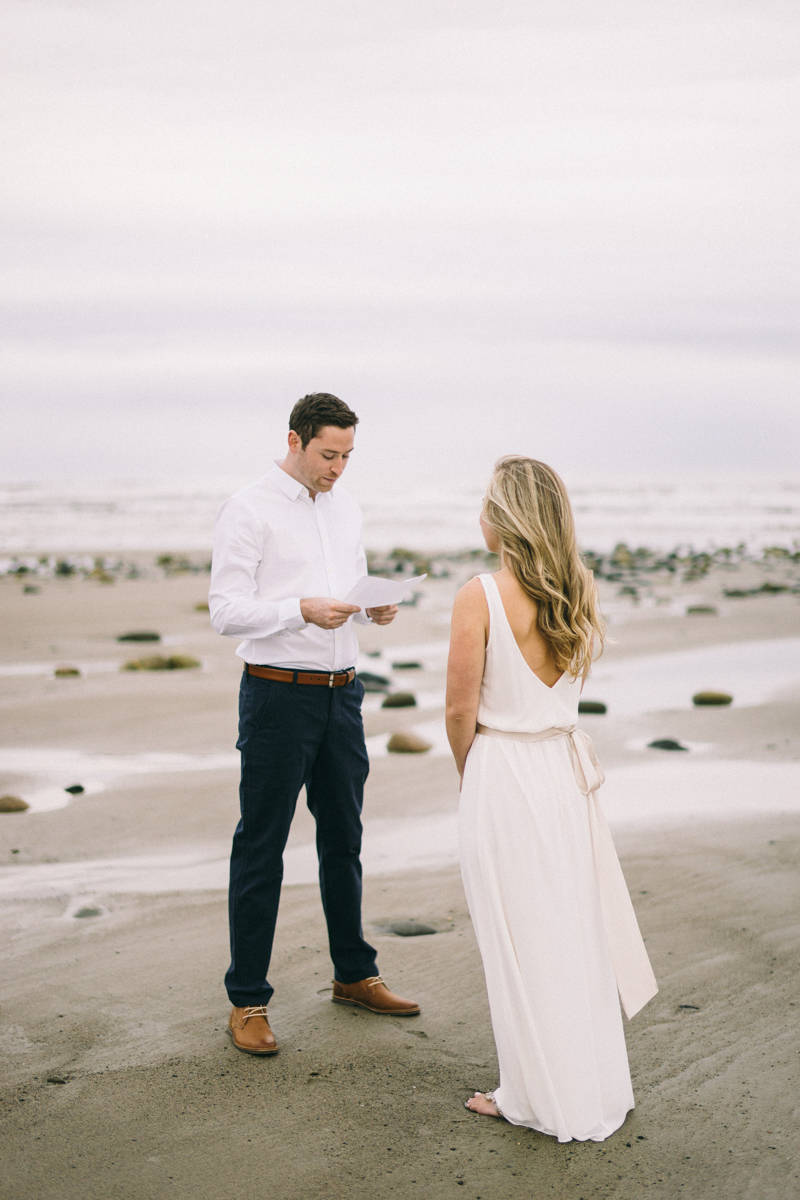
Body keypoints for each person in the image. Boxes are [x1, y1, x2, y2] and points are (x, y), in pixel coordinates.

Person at [446, 456, 657, 1142]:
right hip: (563, 780)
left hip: (503, 772)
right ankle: (590, 1084)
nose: (478, 515)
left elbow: (458, 710)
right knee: (569, 933)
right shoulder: (579, 589)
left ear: (504, 517)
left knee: (514, 940)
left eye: (485, 503)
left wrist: (469, 773)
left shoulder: (479, 594)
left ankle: (533, 1095)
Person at [209, 392, 420, 1056]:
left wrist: (371, 611)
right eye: (329, 455)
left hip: (342, 697)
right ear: (296, 441)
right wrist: (298, 609)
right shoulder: (248, 509)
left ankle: (354, 974)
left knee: (345, 839)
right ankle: (247, 1000)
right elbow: (225, 610)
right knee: (262, 846)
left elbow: (346, 594)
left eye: (348, 456)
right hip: (276, 698)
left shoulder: (347, 508)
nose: (338, 469)